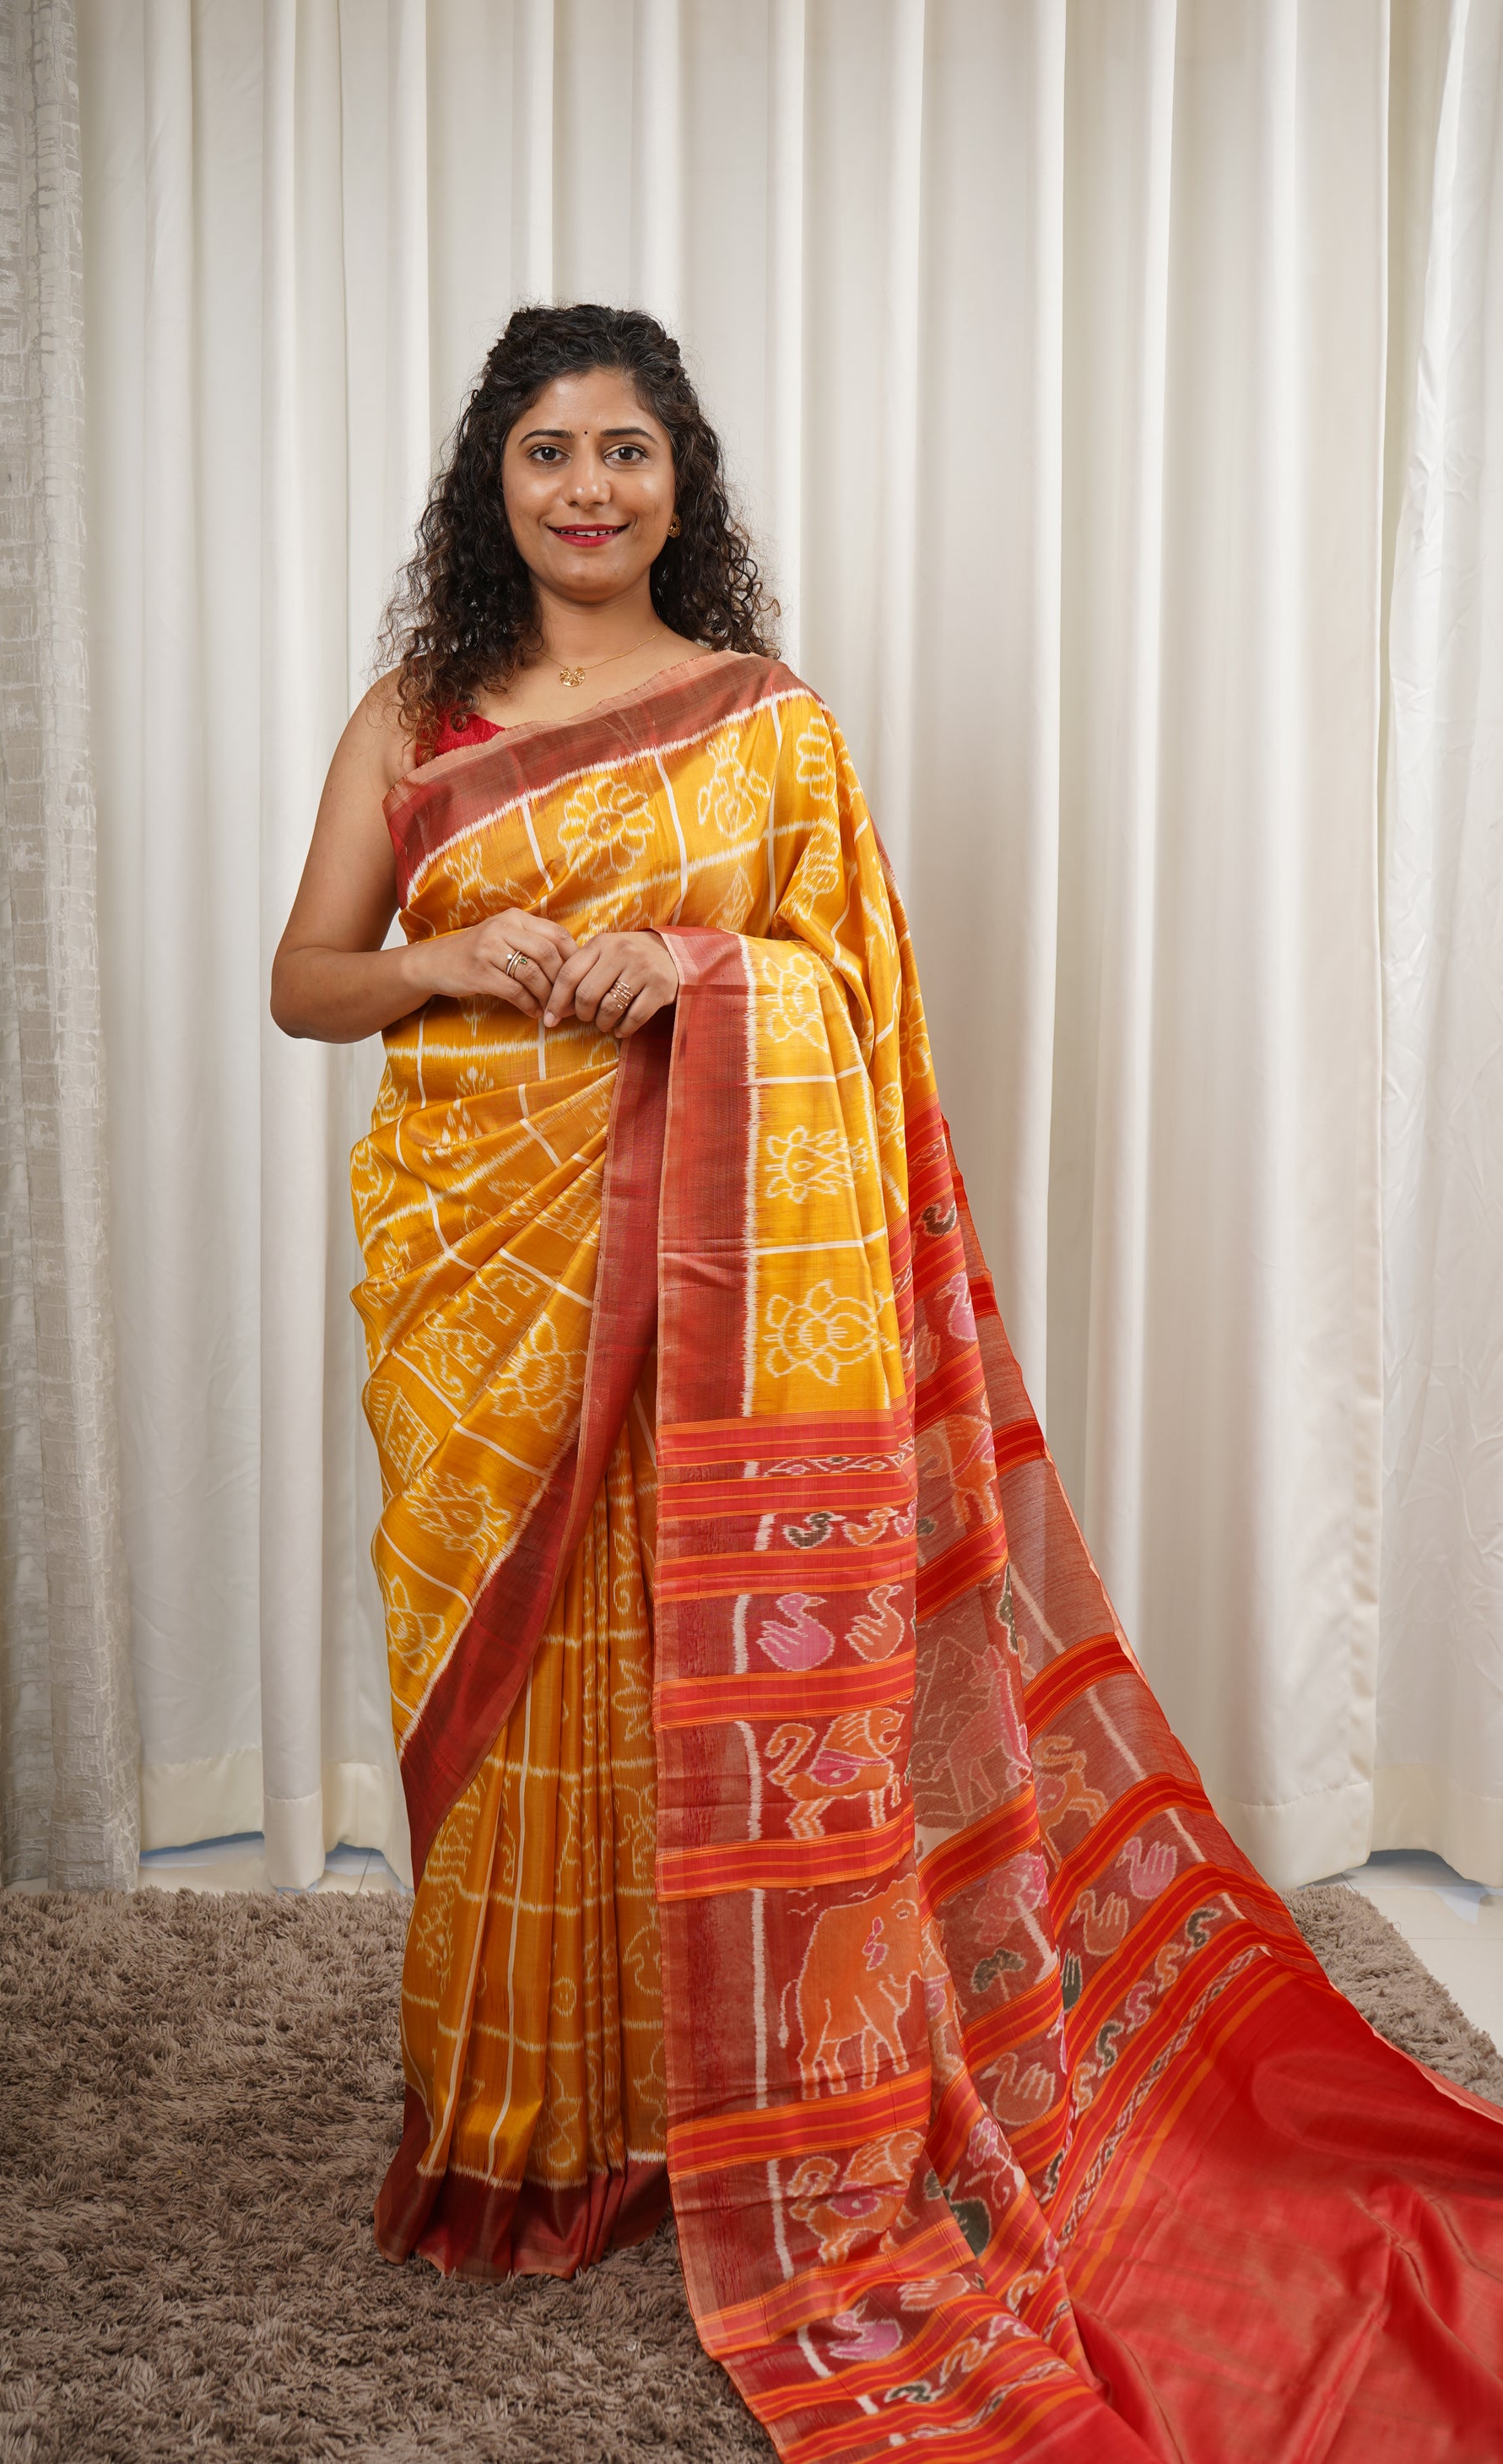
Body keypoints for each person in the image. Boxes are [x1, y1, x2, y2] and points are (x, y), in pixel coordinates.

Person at [272, 305, 1503, 2461]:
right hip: (489, 1289)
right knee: (522, 1686)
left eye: (624, 450)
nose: (585, 487)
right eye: (546, 450)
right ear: (492, 481)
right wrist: (443, 957)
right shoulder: (413, 714)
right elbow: (304, 981)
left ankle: (747, 2104)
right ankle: (540, 2130)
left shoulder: (768, 727)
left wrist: (698, 967)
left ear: (681, 482)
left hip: (730, 1300)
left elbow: (849, 1000)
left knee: (715, 1681)